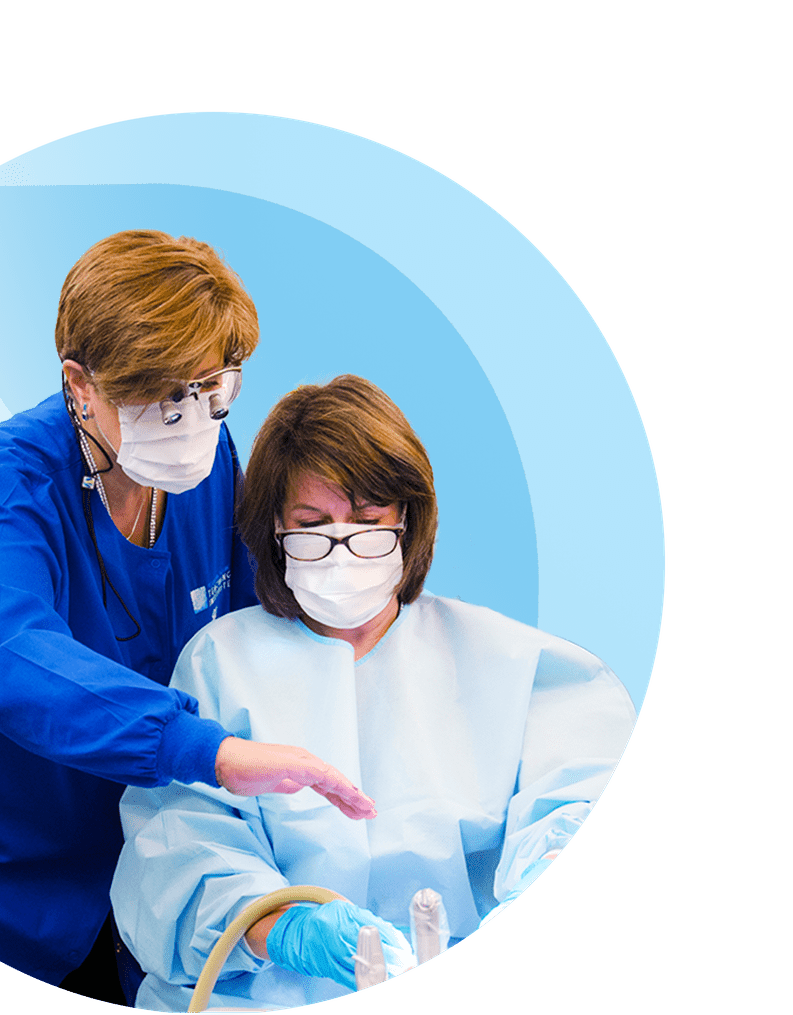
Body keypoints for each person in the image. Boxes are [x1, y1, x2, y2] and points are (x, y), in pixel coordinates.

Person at [0, 232, 374, 1000]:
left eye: (213, 388)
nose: (194, 419)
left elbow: (243, 643)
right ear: (81, 385)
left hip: (76, 867)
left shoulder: (204, 468)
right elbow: (6, 654)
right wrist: (208, 748)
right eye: (163, 396)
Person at [111, 375, 637, 1012]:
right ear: (274, 528)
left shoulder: (505, 661)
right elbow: (180, 850)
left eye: (367, 523)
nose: (341, 550)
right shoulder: (220, 663)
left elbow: (579, 798)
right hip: (266, 994)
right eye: (312, 526)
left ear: (408, 520)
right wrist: (288, 929)